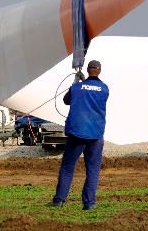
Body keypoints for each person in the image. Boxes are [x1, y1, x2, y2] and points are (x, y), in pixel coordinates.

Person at [50, 60, 109, 210]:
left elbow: (66, 100)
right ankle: (89, 203)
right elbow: (91, 94)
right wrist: (84, 83)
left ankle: (59, 200)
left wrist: (78, 82)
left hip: (77, 133)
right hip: (95, 134)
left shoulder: (76, 87)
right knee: (93, 170)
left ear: (88, 70)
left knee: (68, 167)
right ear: (99, 71)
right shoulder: (105, 89)